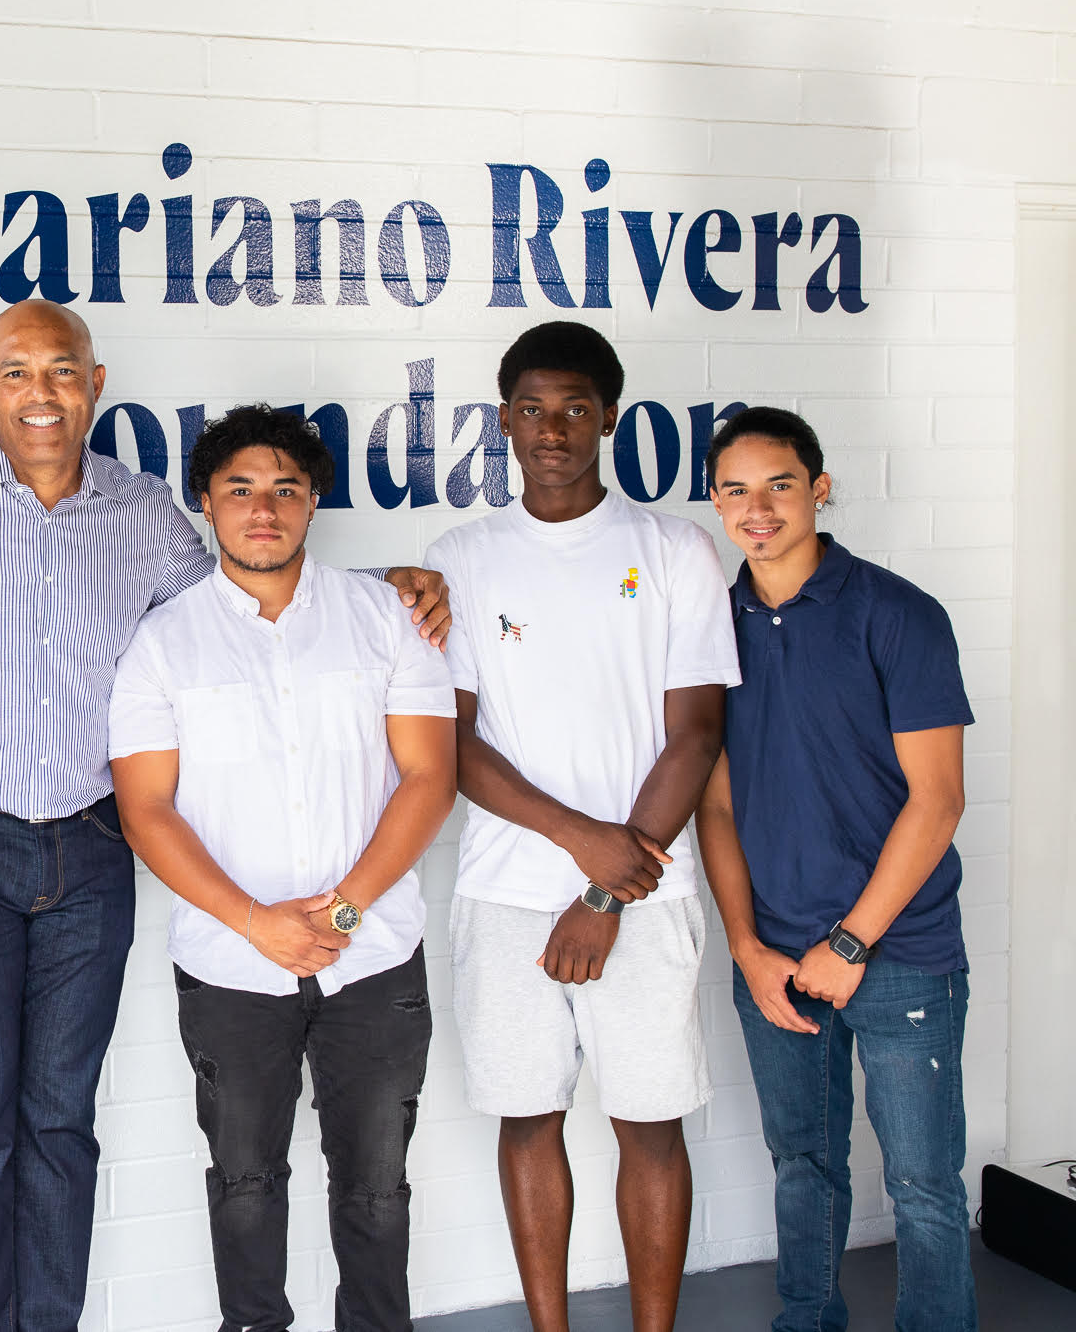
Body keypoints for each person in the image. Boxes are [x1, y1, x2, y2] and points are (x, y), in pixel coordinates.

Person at [0, 299, 450, 1331]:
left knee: (60, 1125)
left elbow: (249, 604)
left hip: (90, 844)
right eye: (18, 371)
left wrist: (396, 586)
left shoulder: (151, 514)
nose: (43, 391)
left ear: (96, 383)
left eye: (63, 370)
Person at [110, 405, 456, 1332]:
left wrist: (341, 912)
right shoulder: (163, 644)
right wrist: (258, 922)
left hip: (374, 958)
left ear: (314, 503)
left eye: (285, 490)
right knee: (246, 1184)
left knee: (378, 1187)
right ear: (205, 505)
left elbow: (430, 776)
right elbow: (145, 809)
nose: (263, 509)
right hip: (230, 966)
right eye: (240, 490)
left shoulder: (389, 618)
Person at [421, 320, 737, 1332]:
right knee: (529, 1117)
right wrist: (578, 839)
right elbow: (456, 744)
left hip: (644, 893)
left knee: (650, 1126)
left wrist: (606, 885)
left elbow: (694, 735)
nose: (551, 428)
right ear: (504, 419)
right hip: (509, 893)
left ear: (609, 416)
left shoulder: (674, 548)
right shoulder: (461, 556)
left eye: (573, 409)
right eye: (532, 408)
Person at [694, 408, 976, 1332]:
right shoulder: (710, 625)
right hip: (775, 959)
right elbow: (719, 803)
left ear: (819, 488)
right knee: (803, 1169)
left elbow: (937, 801)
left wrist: (851, 942)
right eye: (735, 489)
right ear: (715, 501)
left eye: (779, 484)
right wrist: (746, 947)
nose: (757, 508)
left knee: (923, 1183)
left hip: (898, 953)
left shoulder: (898, 614)